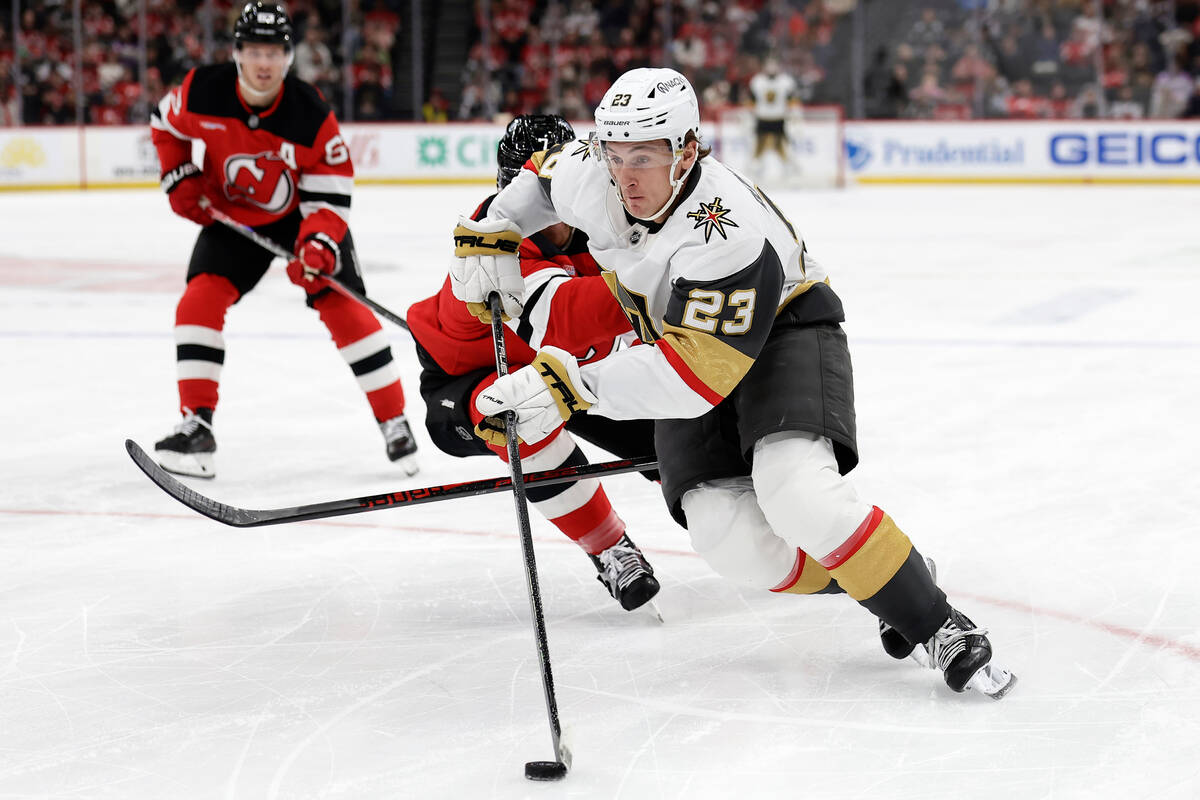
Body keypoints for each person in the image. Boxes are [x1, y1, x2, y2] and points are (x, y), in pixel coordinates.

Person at [448, 68, 1016, 698]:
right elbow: (541, 181)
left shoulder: (727, 232)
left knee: (796, 493)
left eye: (644, 157)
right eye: (614, 155)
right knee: (730, 541)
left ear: (687, 149)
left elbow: (695, 379)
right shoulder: (596, 171)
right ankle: (883, 579)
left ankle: (939, 625)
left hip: (783, 332)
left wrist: (566, 389)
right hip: (685, 336)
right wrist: (489, 232)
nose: (624, 176)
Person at [148, 1, 418, 479]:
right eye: (255, 50)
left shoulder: (309, 113)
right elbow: (163, 124)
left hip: (301, 220)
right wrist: (179, 176)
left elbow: (330, 196)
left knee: (344, 307)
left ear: (289, 57)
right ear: (237, 53)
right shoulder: (201, 91)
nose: (264, 63)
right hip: (233, 219)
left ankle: (394, 421)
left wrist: (316, 245)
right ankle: (196, 425)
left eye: (274, 52)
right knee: (197, 303)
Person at [406, 114, 661, 612]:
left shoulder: (605, 222)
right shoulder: (494, 247)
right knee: (517, 414)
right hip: (471, 384)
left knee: (678, 433)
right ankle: (610, 549)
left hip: (565, 373)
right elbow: (569, 319)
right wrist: (667, 286)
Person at [746, 57, 799, 182]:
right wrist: (748, 117)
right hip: (762, 119)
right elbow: (751, 101)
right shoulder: (757, 81)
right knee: (758, 147)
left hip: (779, 119)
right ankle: (756, 171)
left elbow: (792, 101)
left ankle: (788, 170)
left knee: (782, 146)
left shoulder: (786, 82)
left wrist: (794, 116)